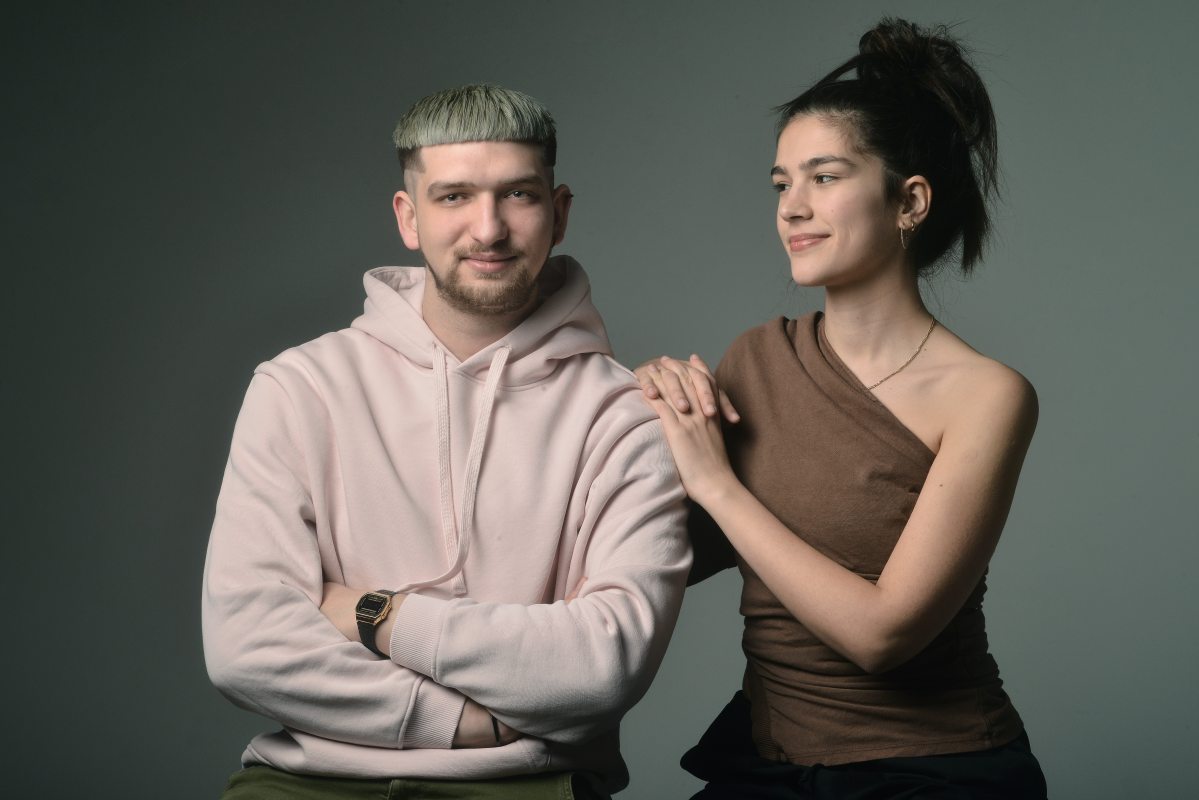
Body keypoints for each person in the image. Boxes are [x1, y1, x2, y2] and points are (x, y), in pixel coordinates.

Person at [202, 84, 690, 800]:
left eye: (517, 195)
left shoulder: (623, 416)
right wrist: (459, 721)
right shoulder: (299, 388)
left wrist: (376, 614)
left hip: (531, 786)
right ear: (409, 217)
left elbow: (602, 664)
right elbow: (245, 647)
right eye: (454, 196)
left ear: (558, 214)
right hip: (306, 784)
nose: (487, 229)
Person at [637, 19, 1049, 799]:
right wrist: (627, 422)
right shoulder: (757, 358)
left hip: (930, 772)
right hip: (767, 763)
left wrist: (713, 481)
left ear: (909, 201)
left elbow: (882, 635)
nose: (791, 207)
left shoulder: (986, 395)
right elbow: (678, 557)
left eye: (823, 178)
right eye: (780, 184)